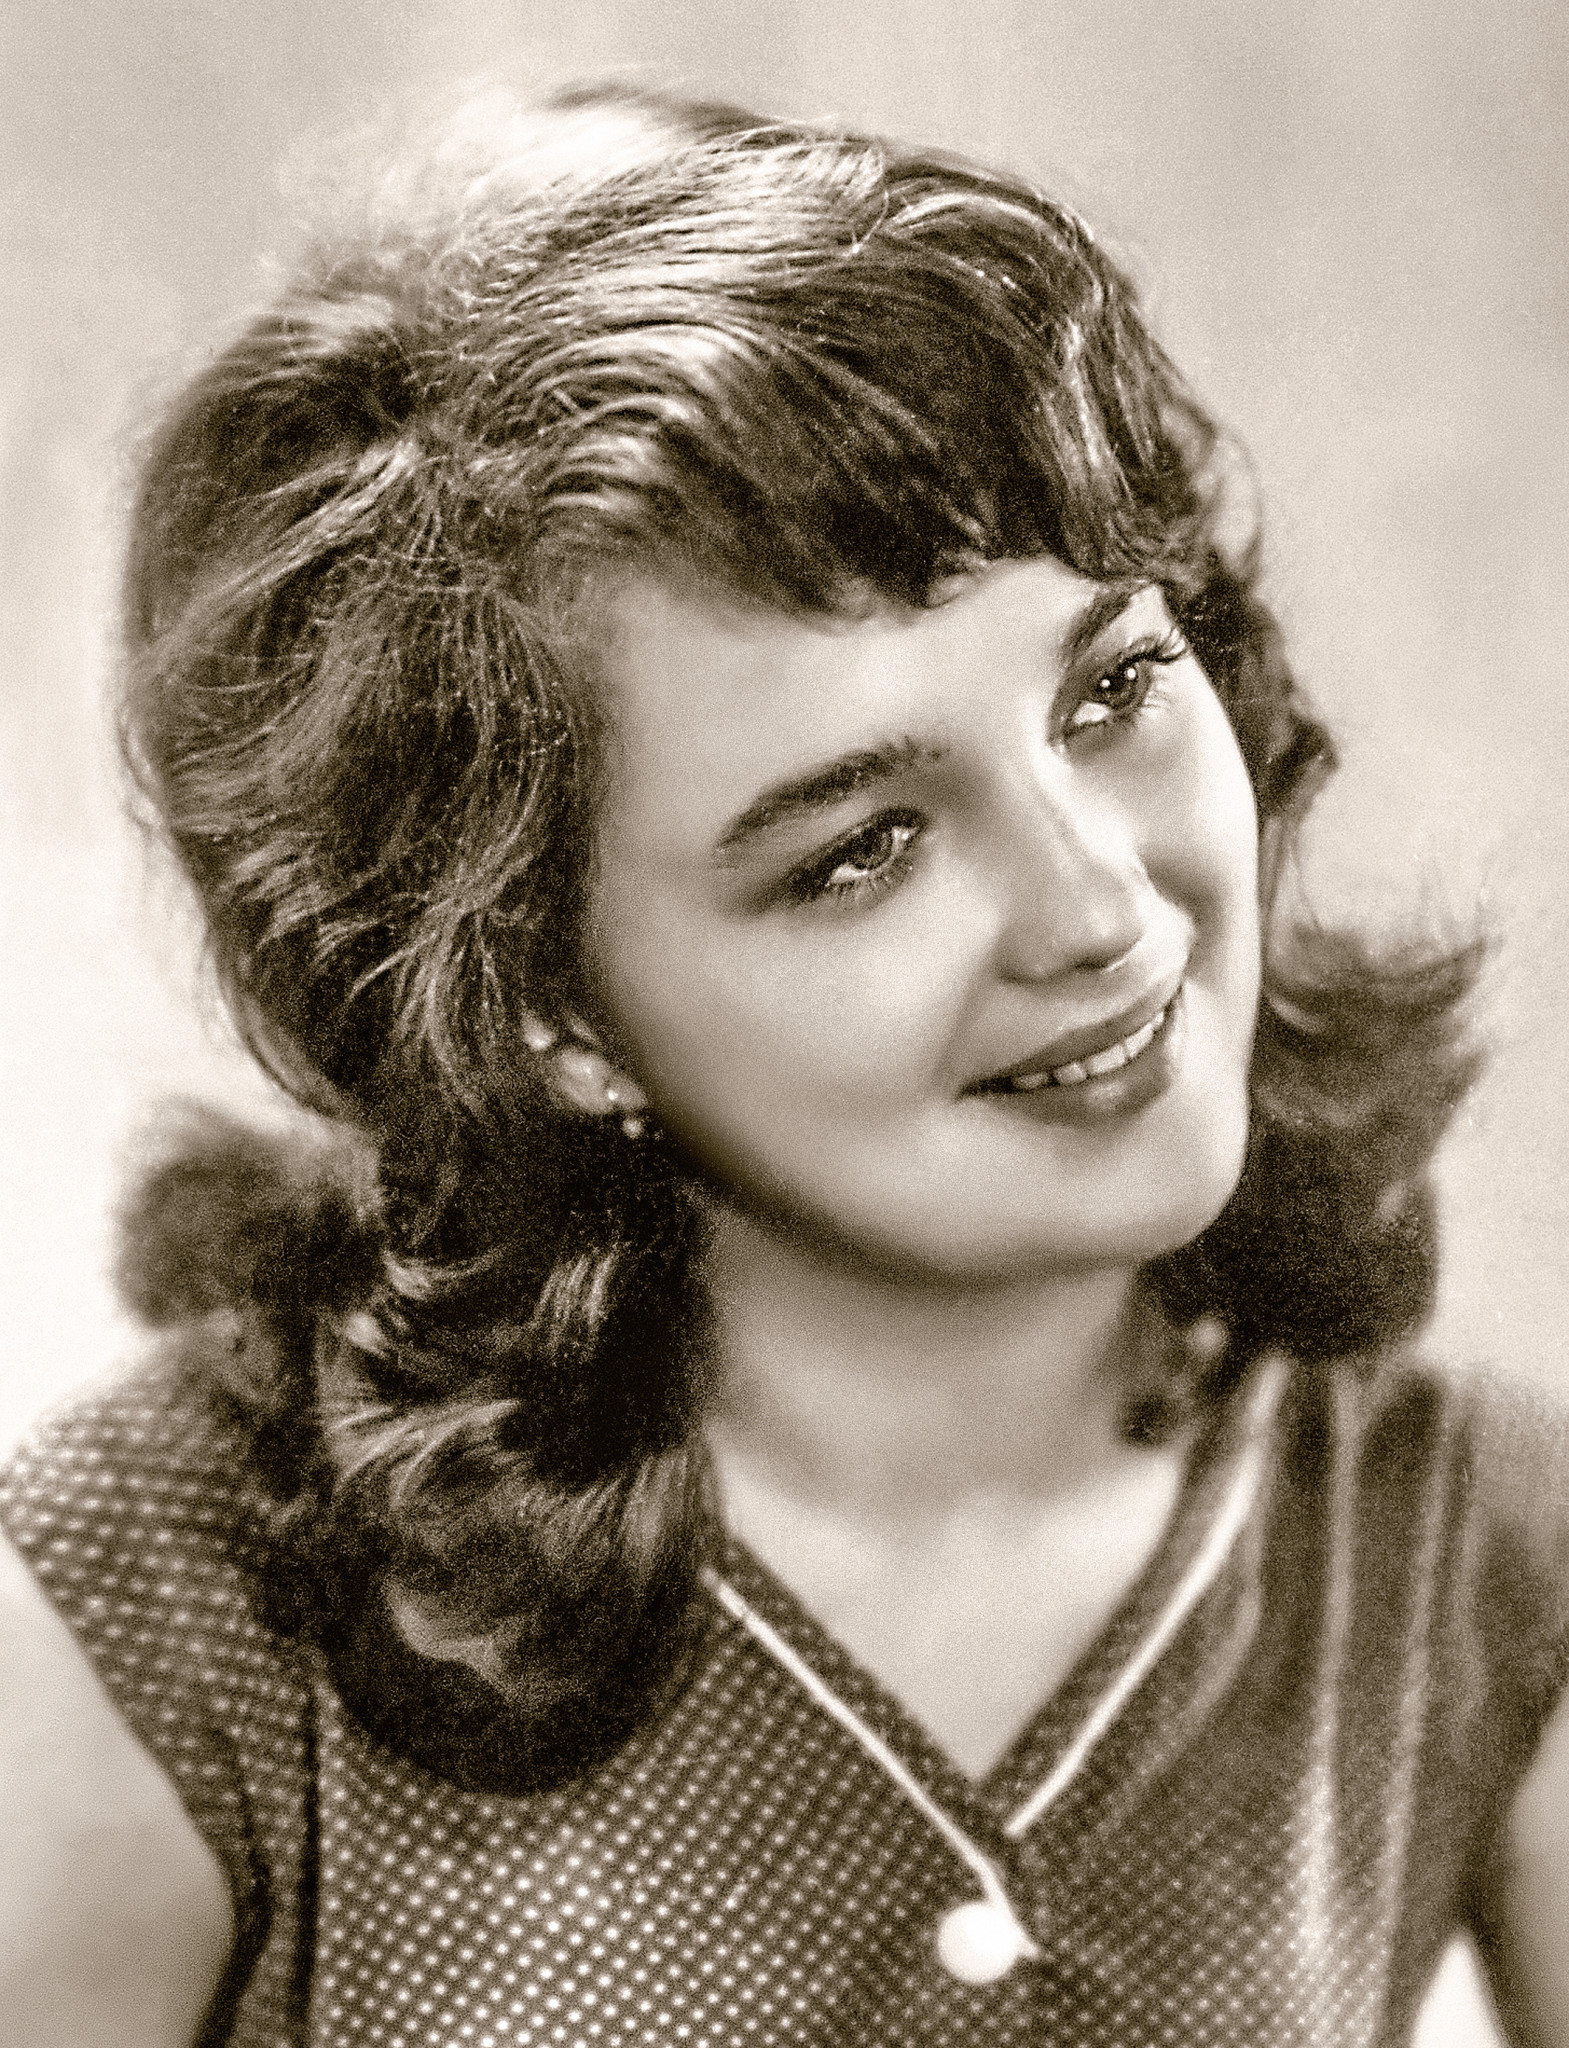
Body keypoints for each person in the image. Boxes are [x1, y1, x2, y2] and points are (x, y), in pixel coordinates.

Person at [1, 80, 1566, 2048]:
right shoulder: (171, 1588)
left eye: (1109, 689)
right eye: (860, 849)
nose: (1098, 905)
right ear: (546, 1014)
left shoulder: (1457, 1533)